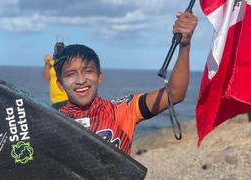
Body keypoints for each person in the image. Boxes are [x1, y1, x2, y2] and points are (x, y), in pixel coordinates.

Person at [54, 12, 197, 155]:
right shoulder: (50, 122)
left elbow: (175, 94)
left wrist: (184, 45)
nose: (81, 80)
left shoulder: (122, 110)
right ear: (60, 84)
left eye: (88, 71)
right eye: (71, 74)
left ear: (99, 77)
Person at [43, 42, 68, 109]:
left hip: (66, 98)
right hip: (55, 100)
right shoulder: (51, 64)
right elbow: (47, 78)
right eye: (57, 49)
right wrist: (47, 63)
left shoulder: (67, 62)